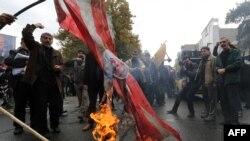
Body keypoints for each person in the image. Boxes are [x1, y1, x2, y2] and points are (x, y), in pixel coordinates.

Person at [22, 23, 63, 137]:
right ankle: (43, 129)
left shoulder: (57, 53)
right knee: (41, 107)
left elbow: (62, 65)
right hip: (39, 83)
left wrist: (59, 68)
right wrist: (34, 26)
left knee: (55, 106)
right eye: (45, 38)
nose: (47, 40)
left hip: (54, 83)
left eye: (50, 38)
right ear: (41, 39)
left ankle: (55, 125)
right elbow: (26, 34)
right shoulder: (35, 47)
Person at [5, 39, 33, 134]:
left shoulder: (33, 52)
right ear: (21, 43)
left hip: (31, 83)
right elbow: (8, 61)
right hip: (19, 82)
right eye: (24, 42)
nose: (26, 44)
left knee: (34, 104)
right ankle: (18, 126)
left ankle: (34, 125)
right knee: (19, 106)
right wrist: (24, 62)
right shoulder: (14, 52)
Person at [215, 37, 242, 125]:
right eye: (220, 43)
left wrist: (225, 69)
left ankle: (234, 121)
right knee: (224, 102)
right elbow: (216, 66)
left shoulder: (235, 52)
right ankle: (227, 120)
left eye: (224, 42)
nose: (222, 43)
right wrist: (217, 70)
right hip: (222, 81)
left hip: (232, 81)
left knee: (232, 102)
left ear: (228, 42)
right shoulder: (219, 55)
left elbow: (238, 64)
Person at [82, 52, 104, 131]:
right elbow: (86, 69)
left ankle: (103, 123)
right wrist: (85, 83)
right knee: (92, 103)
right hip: (92, 83)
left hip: (103, 83)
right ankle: (90, 123)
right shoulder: (89, 55)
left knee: (103, 103)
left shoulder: (105, 54)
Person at [199, 47, 217, 121]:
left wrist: (215, 82)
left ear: (209, 51)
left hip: (211, 82)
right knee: (206, 99)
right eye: (202, 51)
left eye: (204, 51)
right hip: (204, 82)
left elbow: (215, 72)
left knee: (212, 99)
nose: (203, 52)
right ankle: (207, 113)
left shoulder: (213, 59)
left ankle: (212, 115)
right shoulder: (203, 60)